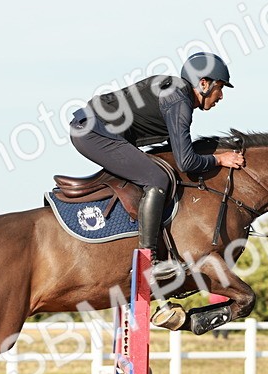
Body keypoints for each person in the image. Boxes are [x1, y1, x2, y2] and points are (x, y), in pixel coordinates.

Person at [68, 52, 246, 280]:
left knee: (158, 172)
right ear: (203, 84)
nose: (220, 96)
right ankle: (148, 259)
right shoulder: (178, 101)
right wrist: (219, 159)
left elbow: (177, 154)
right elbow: (186, 161)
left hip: (95, 129)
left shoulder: (176, 94)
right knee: (157, 179)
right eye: (219, 88)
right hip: (93, 132)